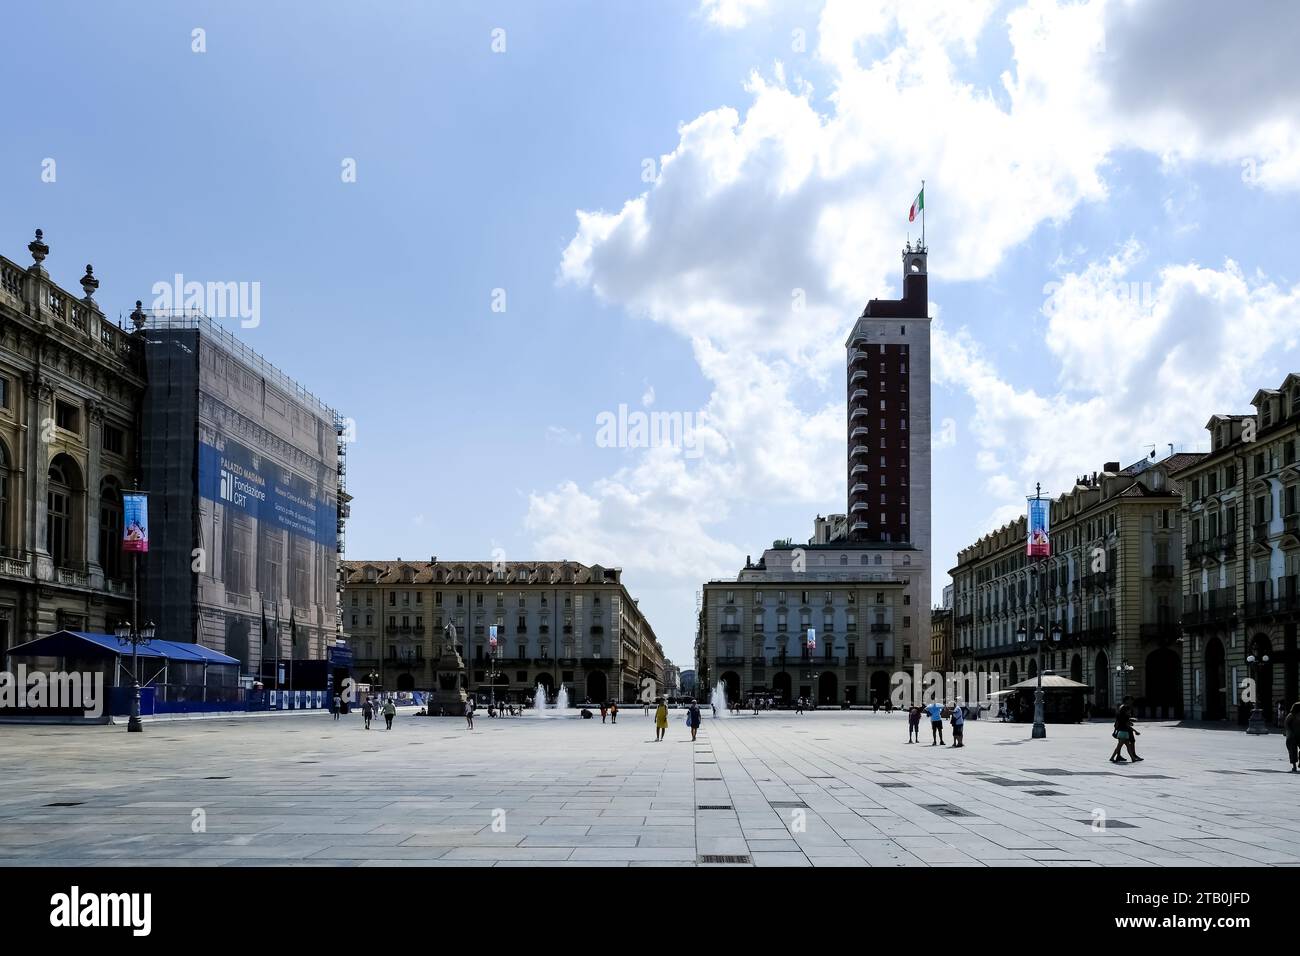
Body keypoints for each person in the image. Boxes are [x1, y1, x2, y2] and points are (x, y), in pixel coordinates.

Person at [1284, 701, 1299, 772]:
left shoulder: (1292, 715)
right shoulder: (1291, 715)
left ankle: (1296, 765)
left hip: (1296, 735)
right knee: (1292, 751)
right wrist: (1289, 733)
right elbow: (1287, 725)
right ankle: (1294, 766)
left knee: (1292, 751)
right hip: (1292, 736)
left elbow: (1286, 725)